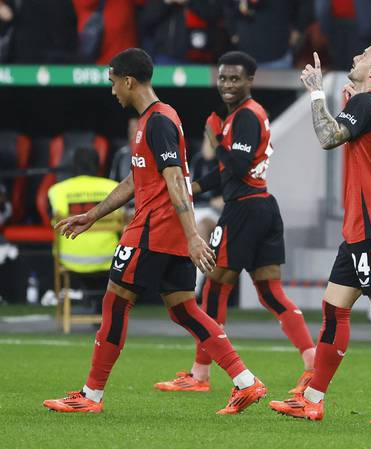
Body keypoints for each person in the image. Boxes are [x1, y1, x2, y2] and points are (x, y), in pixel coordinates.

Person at [43, 48, 266, 414]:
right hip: (167, 233)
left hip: (152, 231)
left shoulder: (158, 120)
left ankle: (91, 396)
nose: (113, 90)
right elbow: (136, 178)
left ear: (128, 81)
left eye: (114, 82)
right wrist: (94, 215)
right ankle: (246, 381)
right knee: (184, 310)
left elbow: (175, 177)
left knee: (115, 303)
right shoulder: (156, 119)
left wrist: (194, 235)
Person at [269, 37, 371, 425]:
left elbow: (329, 138)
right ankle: (311, 398)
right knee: (333, 308)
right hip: (366, 226)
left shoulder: (366, 103)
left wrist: (315, 94)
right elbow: (364, 143)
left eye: (365, 56)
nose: (356, 56)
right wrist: (348, 103)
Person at [154, 51, 316, 394]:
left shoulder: (244, 117)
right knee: (271, 293)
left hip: (243, 210)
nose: (227, 84)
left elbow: (237, 166)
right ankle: (312, 362)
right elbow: (230, 172)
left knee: (214, 286)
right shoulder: (247, 115)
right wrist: (191, 188)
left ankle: (200, 374)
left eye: (235, 78)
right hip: (262, 205)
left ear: (250, 80)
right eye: (223, 78)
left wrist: (215, 139)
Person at [48, 147, 122, 313]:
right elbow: (124, 223)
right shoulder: (114, 188)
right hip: (108, 259)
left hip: (70, 259)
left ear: (73, 166)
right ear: (98, 165)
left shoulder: (56, 190)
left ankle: (90, 298)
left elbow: (51, 222)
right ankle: (98, 301)